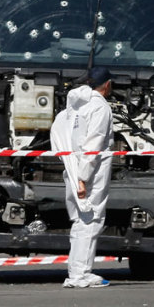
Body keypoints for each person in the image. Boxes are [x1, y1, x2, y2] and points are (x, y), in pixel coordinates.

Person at [50, 67, 114, 288]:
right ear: (107, 85)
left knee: (80, 221)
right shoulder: (100, 107)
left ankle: (77, 271)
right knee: (91, 219)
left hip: (72, 167)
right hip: (90, 173)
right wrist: (83, 179)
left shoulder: (73, 107)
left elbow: (58, 134)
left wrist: (74, 171)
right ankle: (80, 274)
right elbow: (94, 144)